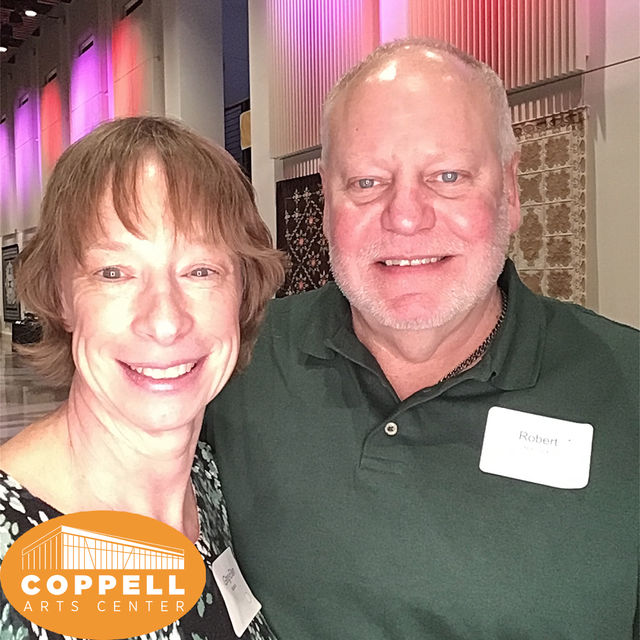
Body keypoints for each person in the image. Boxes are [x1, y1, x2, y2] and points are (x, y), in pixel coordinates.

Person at [204, 38, 639, 639]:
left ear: (511, 191)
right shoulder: (233, 360)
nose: (406, 217)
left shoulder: (628, 387)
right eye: (367, 182)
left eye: (448, 176)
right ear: (326, 201)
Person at [0, 116, 284, 640]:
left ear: (242, 292)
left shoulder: (209, 480)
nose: (165, 321)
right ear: (61, 297)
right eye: (114, 272)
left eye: (200, 271)